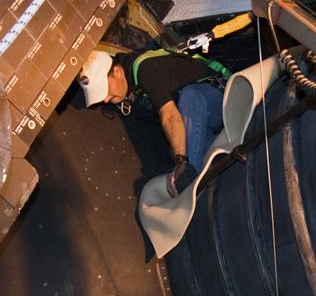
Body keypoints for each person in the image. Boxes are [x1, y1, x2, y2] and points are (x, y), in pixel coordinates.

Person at [79, 48, 224, 193]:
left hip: (216, 98)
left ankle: (191, 186)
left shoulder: (146, 70)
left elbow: (169, 116)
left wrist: (181, 162)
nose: (105, 99)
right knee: (199, 153)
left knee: (190, 98)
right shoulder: (122, 87)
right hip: (193, 121)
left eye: (106, 89)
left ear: (117, 71)